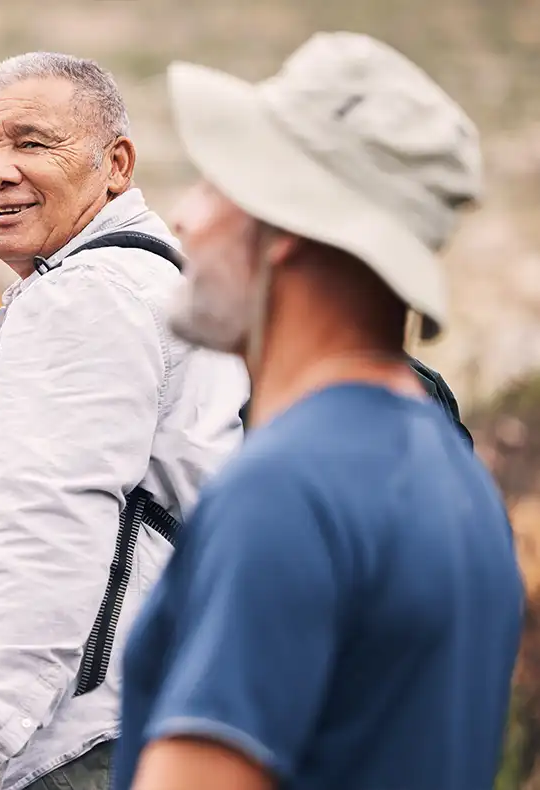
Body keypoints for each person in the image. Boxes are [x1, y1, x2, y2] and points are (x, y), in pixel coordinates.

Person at [116, 32, 523, 790]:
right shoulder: (458, 481)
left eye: (216, 182)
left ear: (286, 228)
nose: (186, 216)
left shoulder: (285, 490)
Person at [0, 53, 248, 790]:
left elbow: (48, 549)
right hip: (158, 717)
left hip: (79, 743)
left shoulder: (84, 298)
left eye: (32, 143)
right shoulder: (159, 279)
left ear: (116, 164)